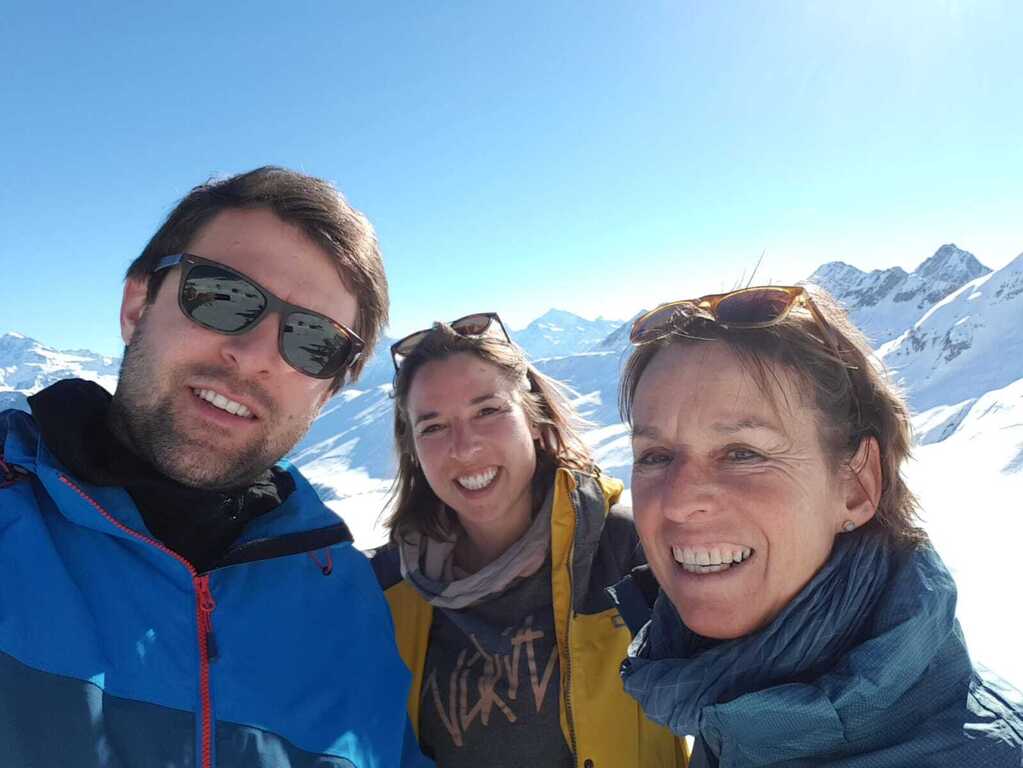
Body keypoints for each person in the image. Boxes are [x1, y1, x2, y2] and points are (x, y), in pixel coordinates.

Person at [0, 167, 429, 768]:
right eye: (223, 297)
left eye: (313, 342)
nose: (254, 357)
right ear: (137, 305)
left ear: (327, 391)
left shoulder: (347, 605)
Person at [610, 285, 1023, 767]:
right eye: (656, 457)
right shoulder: (728, 696)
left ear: (855, 485)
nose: (678, 503)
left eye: (743, 453)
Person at [371, 314, 687, 768]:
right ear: (415, 453)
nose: (464, 447)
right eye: (433, 427)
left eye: (487, 411)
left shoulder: (625, 549)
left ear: (534, 422)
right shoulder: (388, 587)